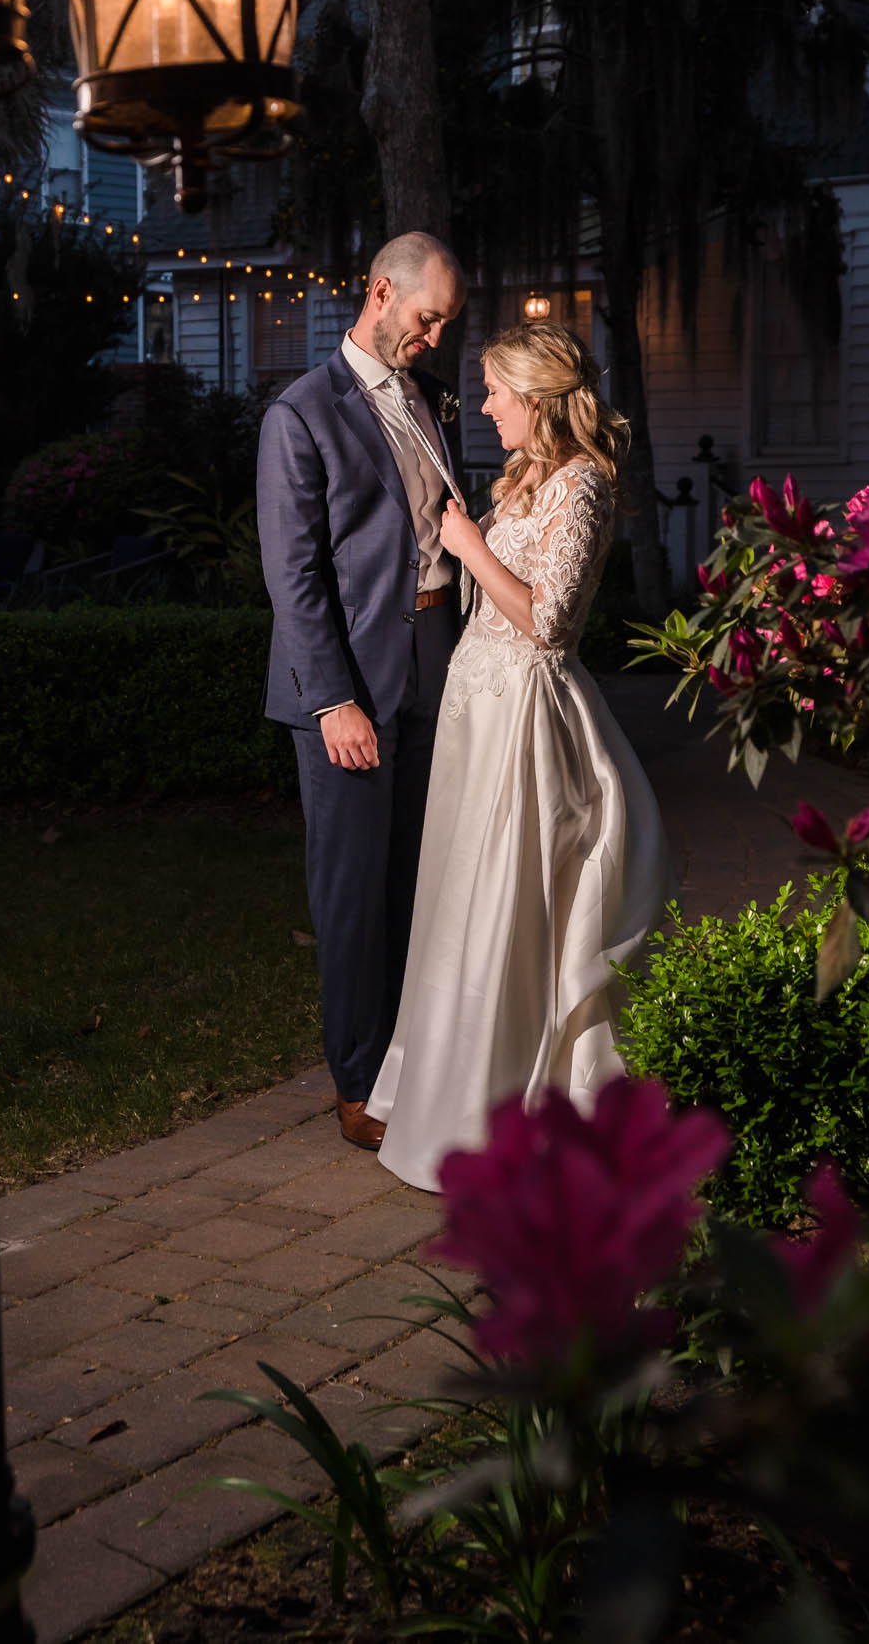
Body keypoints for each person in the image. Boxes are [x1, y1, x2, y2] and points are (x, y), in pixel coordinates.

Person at [367, 321, 672, 1192]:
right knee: (460, 895)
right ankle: (449, 1086)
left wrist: (467, 545)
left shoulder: (581, 485)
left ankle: (514, 1102)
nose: (486, 405)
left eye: (496, 390)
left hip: (526, 721)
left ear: (536, 396)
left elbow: (551, 623)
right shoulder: (527, 479)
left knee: (514, 898)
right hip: (478, 710)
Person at [257, 232, 467, 1149]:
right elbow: (294, 575)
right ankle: (357, 1085)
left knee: (416, 880)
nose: (434, 339)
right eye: (427, 320)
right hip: (348, 686)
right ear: (382, 294)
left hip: (436, 659)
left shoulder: (426, 403)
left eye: (444, 326)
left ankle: (406, 1064)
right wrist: (330, 700)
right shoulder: (301, 415)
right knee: (351, 889)